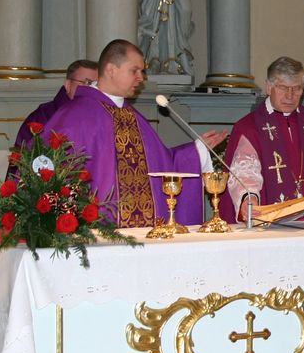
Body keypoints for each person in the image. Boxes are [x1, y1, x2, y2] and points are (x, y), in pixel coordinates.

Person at [42, 40, 226, 226]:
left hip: (142, 234)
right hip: (96, 233)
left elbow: (163, 164)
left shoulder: (132, 116)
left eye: (142, 72)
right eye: (134, 71)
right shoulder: (75, 116)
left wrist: (196, 152)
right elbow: (51, 175)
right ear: (111, 70)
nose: (141, 78)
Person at [219, 56, 304, 223]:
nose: (290, 96)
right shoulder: (249, 128)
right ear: (269, 87)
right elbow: (244, 173)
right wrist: (249, 198)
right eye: (283, 88)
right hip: (269, 227)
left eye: (297, 88)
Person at [13, 60, 99, 150]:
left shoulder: (101, 115)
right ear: (68, 84)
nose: (91, 90)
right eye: (86, 83)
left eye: (96, 85)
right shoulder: (43, 115)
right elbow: (23, 153)